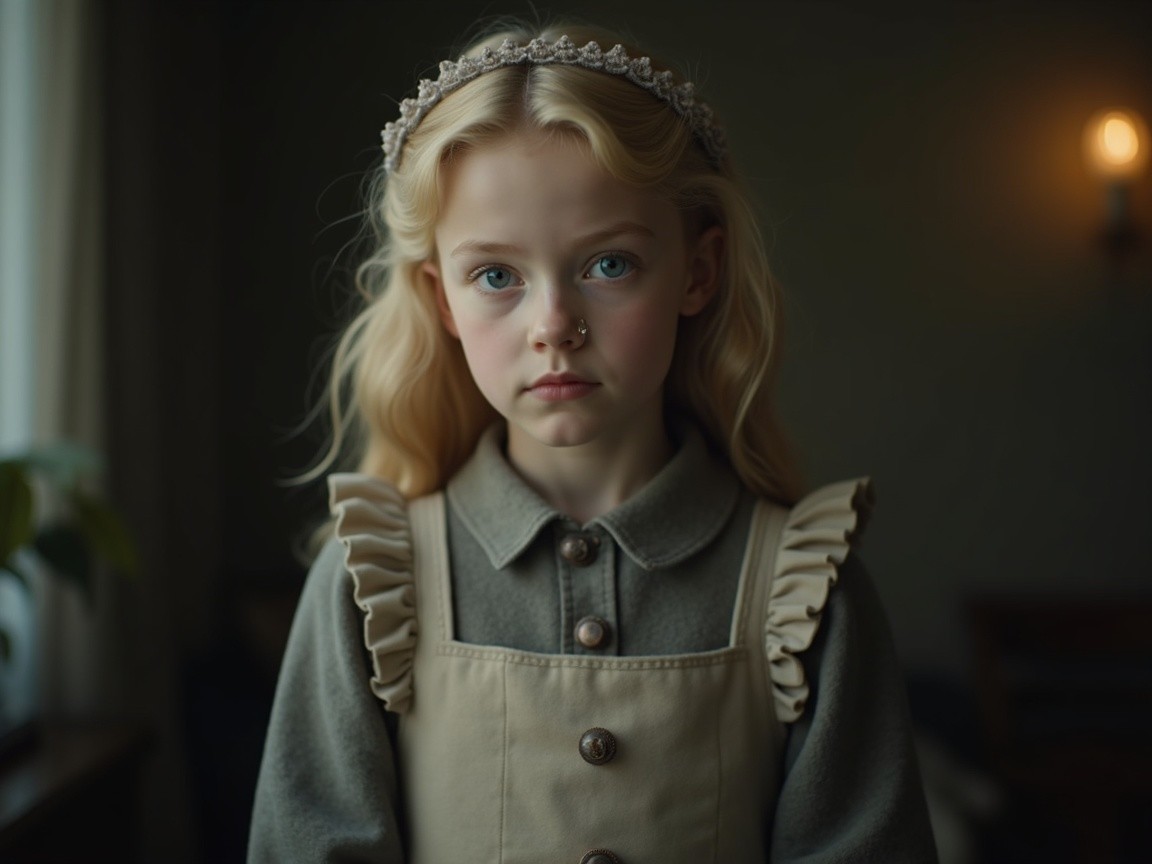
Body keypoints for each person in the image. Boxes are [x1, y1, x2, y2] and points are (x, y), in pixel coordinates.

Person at [249, 21, 937, 864]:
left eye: (608, 264)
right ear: (441, 300)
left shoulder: (809, 594)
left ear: (697, 272)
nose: (554, 326)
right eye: (495, 276)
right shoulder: (368, 587)